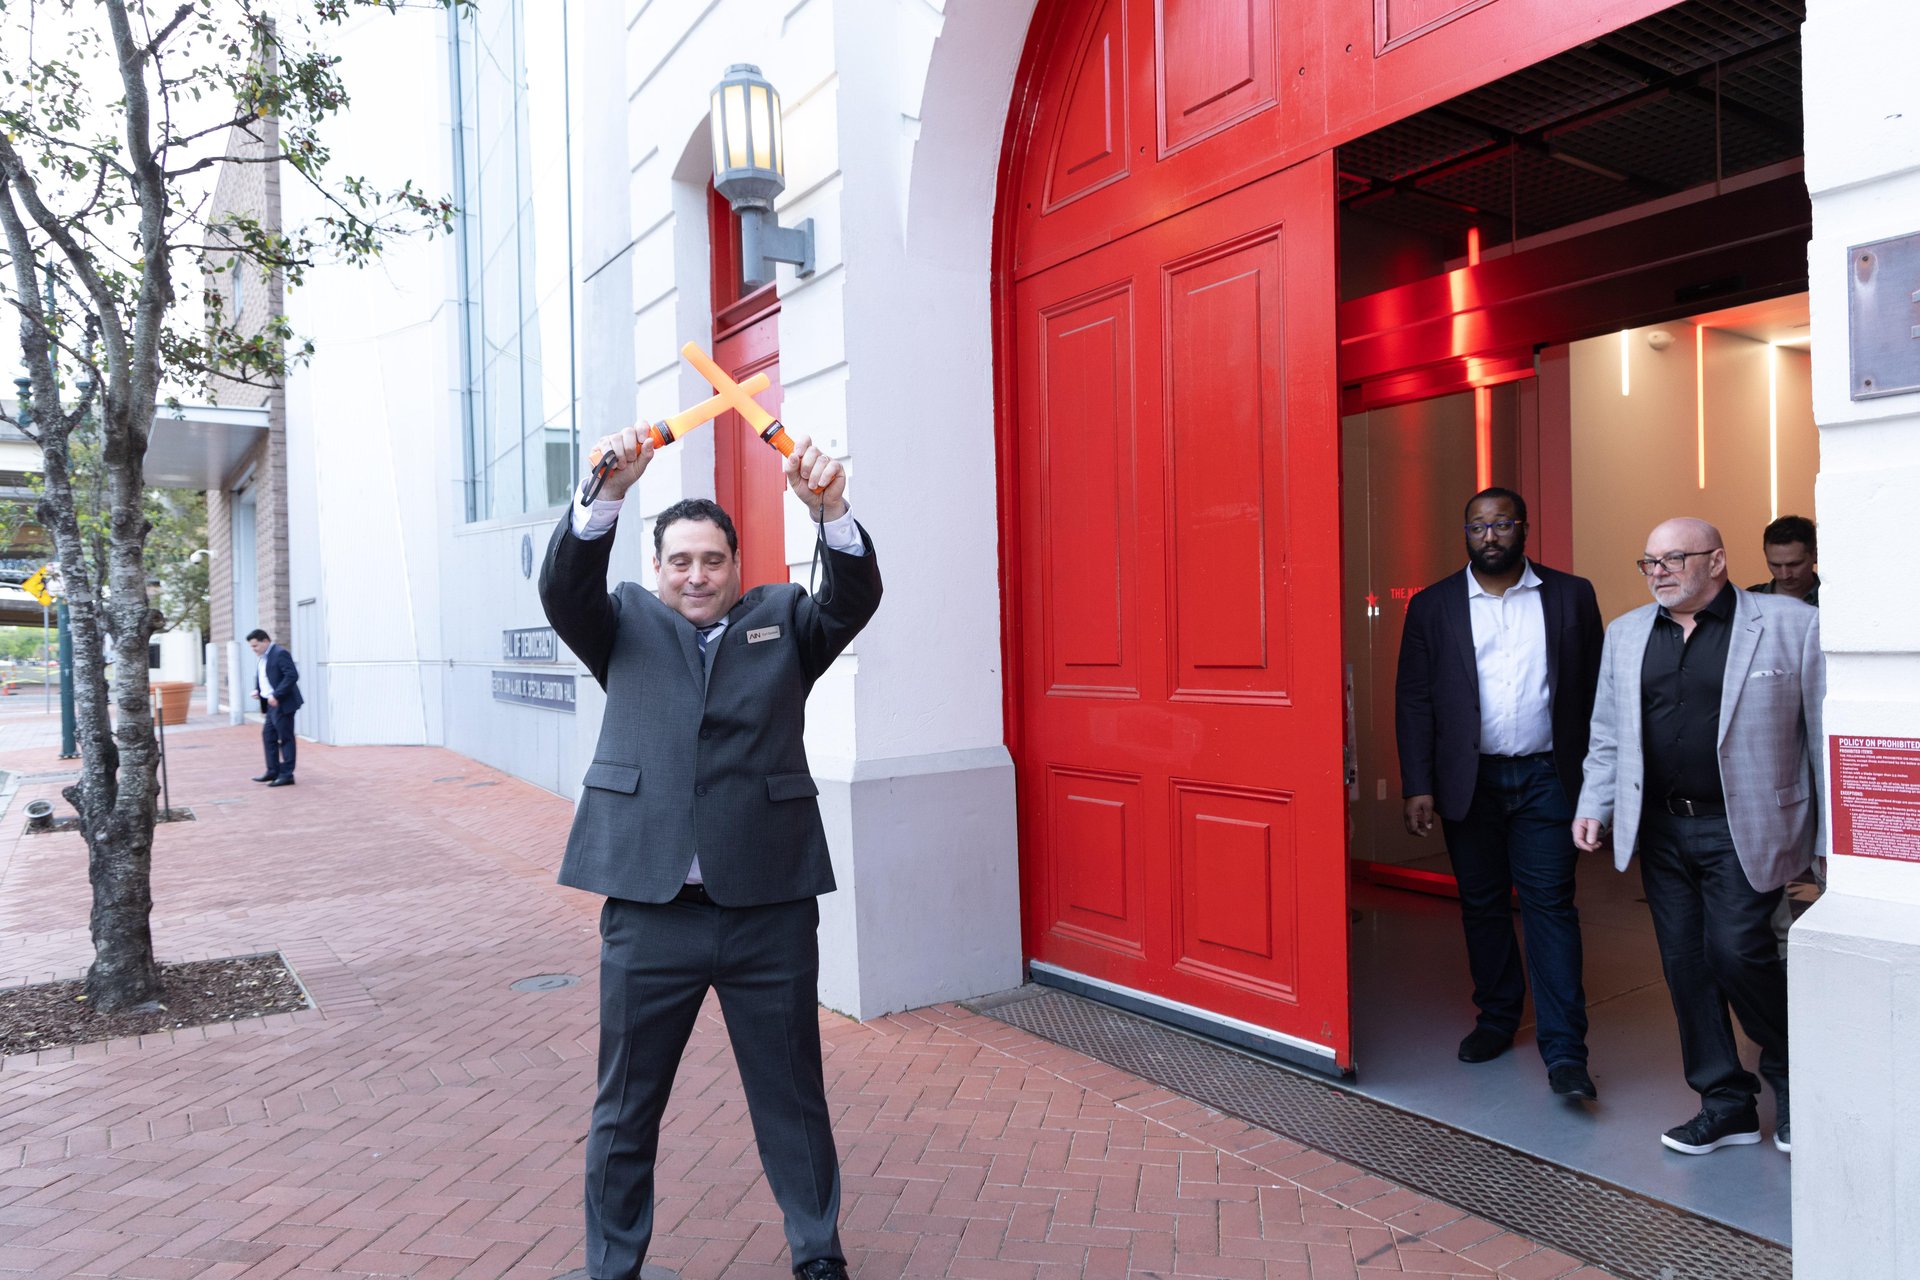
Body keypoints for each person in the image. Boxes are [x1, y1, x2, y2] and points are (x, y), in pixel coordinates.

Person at [540, 421, 881, 1280]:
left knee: (793, 1094)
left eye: (713, 561)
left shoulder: (786, 622)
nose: (697, 575)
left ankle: (818, 1253)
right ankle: (613, 1265)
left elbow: (852, 598)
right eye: (681, 561)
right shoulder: (621, 625)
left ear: (736, 566)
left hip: (768, 907)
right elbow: (564, 587)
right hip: (652, 912)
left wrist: (830, 510)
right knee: (625, 1105)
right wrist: (607, 492)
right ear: (658, 569)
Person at [1573, 518, 1822, 1158]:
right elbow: (1608, 732)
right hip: (1661, 827)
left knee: (1737, 952)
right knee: (1685, 965)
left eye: (1673, 559)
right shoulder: (1627, 634)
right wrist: (1595, 802)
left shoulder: (1791, 624)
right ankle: (1725, 1103)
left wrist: (1830, 841)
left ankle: (1797, 1077)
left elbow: (1820, 735)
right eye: (1649, 562)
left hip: (1746, 826)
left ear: (1716, 561)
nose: (1657, 572)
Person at [1395, 487, 1603, 1100]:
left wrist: (1600, 784)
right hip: (1471, 781)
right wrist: (1418, 784)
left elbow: (1596, 692)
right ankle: (1496, 1018)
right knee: (1483, 906)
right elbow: (1414, 700)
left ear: (1524, 528)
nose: (1489, 536)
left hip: (1548, 778)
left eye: (1502, 524)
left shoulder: (1571, 595)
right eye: (1477, 526)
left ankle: (1565, 1054)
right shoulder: (1433, 606)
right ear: (1466, 534)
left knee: (1551, 908)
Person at [246, 629, 301, 787]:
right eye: (251, 646)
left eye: (255, 646)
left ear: (265, 641)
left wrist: (276, 695)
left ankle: (287, 775)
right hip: (271, 705)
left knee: (285, 738)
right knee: (268, 736)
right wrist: (258, 690)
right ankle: (273, 771)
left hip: (282, 703)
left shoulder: (279, 653)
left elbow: (292, 675)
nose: (253, 649)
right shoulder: (263, 657)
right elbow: (264, 677)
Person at [1747, 514, 1819, 605]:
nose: (1785, 575)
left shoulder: (1833, 600)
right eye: (1775, 565)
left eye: (1794, 564)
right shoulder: (1747, 601)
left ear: (1815, 555)